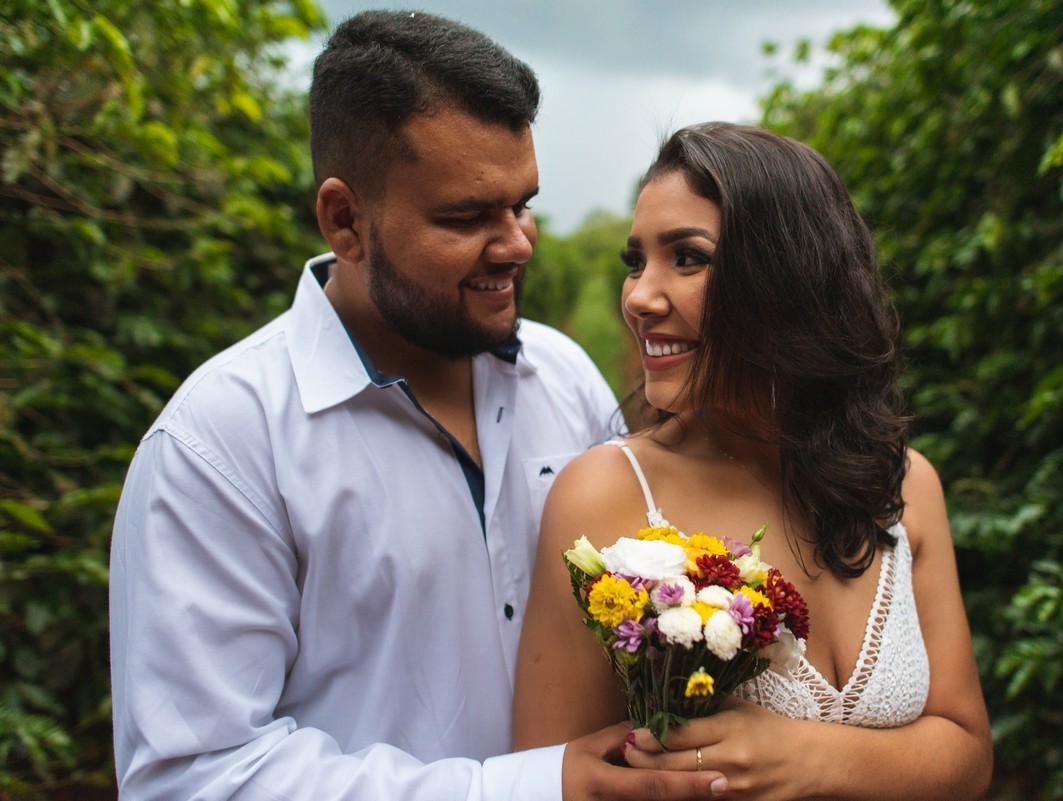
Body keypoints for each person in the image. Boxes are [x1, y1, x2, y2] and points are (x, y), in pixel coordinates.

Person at [109, 11, 730, 801]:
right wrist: (530, 787)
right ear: (345, 220)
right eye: (468, 217)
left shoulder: (565, 379)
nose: (517, 243)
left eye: (523, 205)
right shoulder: (222, 445)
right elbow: (193, 776)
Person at [512, 123, 994, 799]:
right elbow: (549, 779)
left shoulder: (904, 483)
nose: (639, 297)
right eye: (637, 261)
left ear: (788, 277)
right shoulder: (603, 496)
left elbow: (968, 752)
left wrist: (809, 757)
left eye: (687, 258)